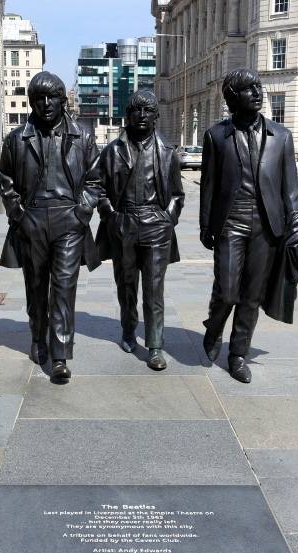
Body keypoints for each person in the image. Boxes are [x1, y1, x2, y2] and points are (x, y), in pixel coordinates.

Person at [199, 68, 298, 383]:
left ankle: (237, 355)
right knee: (227, 291)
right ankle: (215, 326)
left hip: (266, 227)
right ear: (233, 97)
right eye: (249, 89)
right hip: (229, 223)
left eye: (258, 87)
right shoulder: (216, 136)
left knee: (251, 296)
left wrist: (297, 228)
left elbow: (290, 191)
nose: (257, 93)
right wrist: (205, 225)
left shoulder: (281, 136)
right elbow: (209, 185)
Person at [0, 71, 102, 382]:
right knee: (36, 287)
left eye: (52, 97)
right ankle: (37, 335)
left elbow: (95, 179)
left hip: (68, 221)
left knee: (63, 287)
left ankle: (60, 354)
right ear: (31, 101)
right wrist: (18, 213)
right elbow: (5, 181)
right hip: (31, 220)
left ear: (62, 100)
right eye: (39, 98)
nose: (46, 103)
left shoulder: (82, 135)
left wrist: (81, 212)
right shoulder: (17, 139)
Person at [96, 90, 184, 371]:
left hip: (156, 226)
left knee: (154, 289)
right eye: (136, 110)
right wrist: (110, 215)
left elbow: (177, 194)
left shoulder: (167, 151)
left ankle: (155, 345)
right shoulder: (112, 150)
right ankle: (127, 328)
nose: (142, 116)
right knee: (126, 285)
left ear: (156, 115)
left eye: (148, 111)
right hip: (125, 223)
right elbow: (98, 187)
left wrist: (168, 218)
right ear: (128, 115)